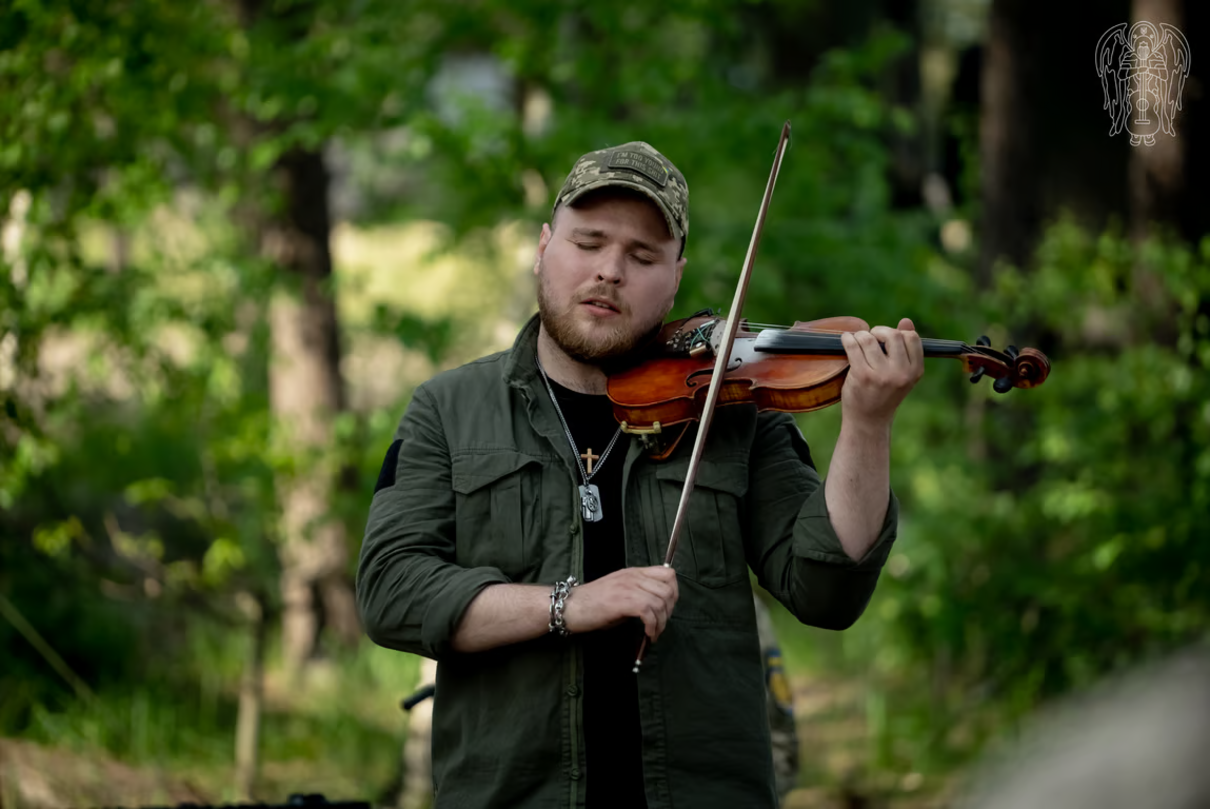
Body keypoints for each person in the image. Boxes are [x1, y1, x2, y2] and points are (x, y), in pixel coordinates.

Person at [357, 141, 923, 808]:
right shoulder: (449, 410)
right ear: (545, 246)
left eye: (642, 255)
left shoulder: (735, 409)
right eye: (588, 242)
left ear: (676, 275)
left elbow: (826, 590)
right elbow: (392, 590)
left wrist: (867, 424)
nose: (609, 271)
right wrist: (571, 604)